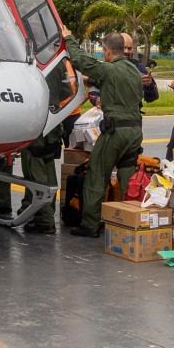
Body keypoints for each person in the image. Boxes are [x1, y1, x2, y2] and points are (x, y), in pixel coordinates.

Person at [61, 27, 143, 238]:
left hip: (115, 132)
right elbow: (114, 84)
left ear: (107, 51)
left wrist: (69, 38)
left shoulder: (108, 69)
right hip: (134, 131)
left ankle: (90, 224)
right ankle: (130, 218)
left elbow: (79, 60)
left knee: (97, 174)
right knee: (128, 177)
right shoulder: (133, 70)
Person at [19, 123, 64, 234]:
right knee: (50, 178)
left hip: (34, 136)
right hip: (51, 134)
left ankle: (44, 221)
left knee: (35, 179)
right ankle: (48, 213)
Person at [122, 33, 159, 104]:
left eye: (129, 48)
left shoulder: (138, 67)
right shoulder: (107, 67)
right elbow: (95, 92)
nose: (126, 51)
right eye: (124, 48)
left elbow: (153, 96)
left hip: (132, 113)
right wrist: (97, 99)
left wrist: (149, 85)